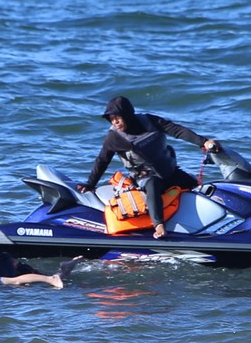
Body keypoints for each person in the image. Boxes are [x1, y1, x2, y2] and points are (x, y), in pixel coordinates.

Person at [79, 96, 220, 240]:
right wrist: (90, 184)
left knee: (197, 186)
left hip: (169, 172)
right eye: (111, 118)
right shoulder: (114, 138)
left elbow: (177, 130)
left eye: (118, 117)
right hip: (144, 178)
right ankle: (159, 225)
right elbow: (102, 160)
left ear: (128, 115)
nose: (115, 122)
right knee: (153, 185)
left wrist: (203, 142)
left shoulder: (150, 121)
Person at [0, 228, 66, 288]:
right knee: (45, 275)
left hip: (14, 281)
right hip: (22, 271)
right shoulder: (5, 256)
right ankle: (63, 271)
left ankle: (56, 276)